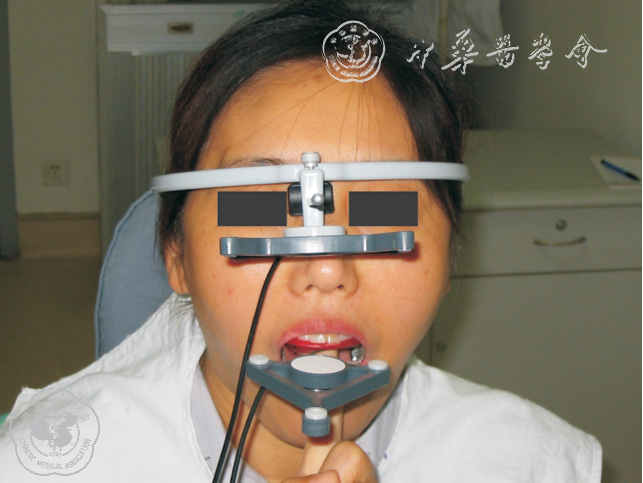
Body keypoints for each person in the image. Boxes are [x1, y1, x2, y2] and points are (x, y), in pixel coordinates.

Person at [0, 1, 601, 481]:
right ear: (175, 255)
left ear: (449, 256)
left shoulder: (535, 463)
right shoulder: (51, 463)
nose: (326, 267)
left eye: (381, 211)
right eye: (262, 209)